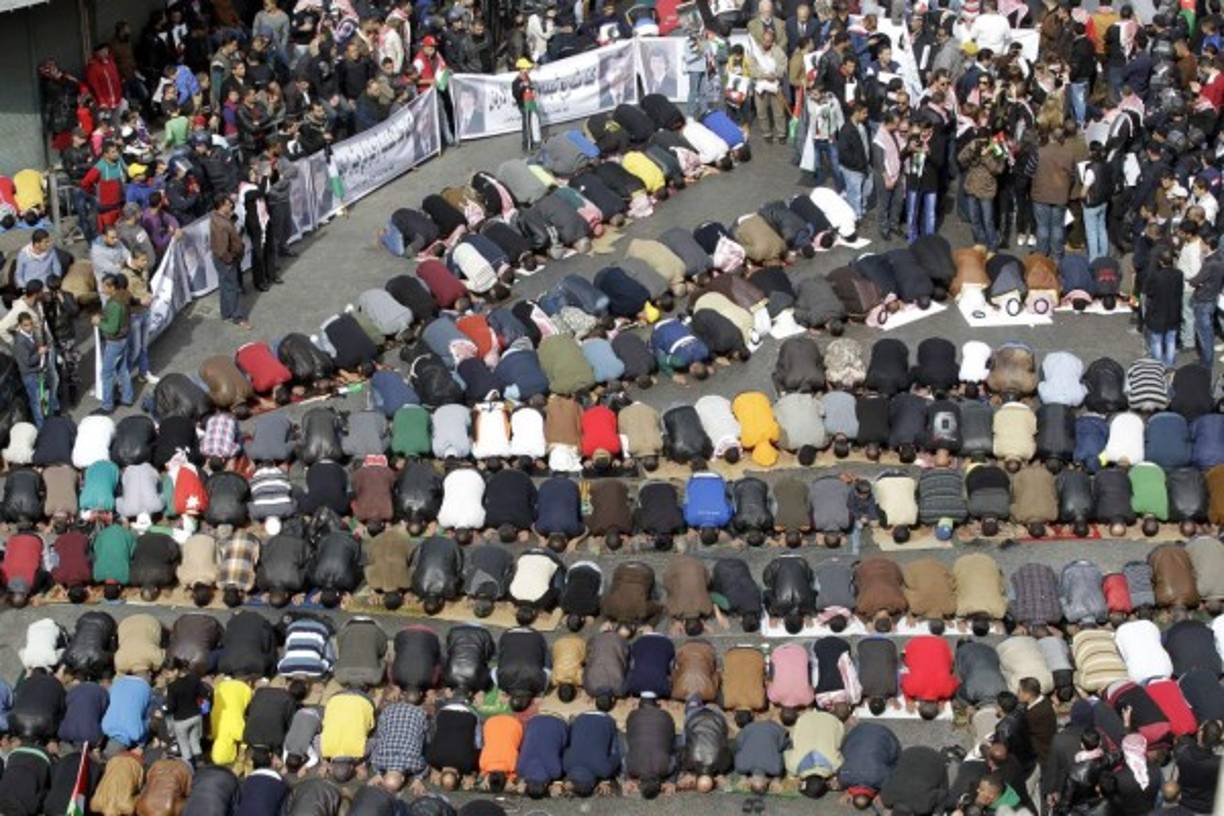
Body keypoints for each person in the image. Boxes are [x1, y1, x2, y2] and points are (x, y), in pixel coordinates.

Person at [91, 274, 132, 414]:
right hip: (124, 338)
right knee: (122, 369)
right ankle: (127, 398)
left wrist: (99, 322)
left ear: (112, 287)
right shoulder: (124, 296)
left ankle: (107, 406)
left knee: (107, 373)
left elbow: (112, 328)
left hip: (115, 342)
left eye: (104, 285)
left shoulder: (114, 304)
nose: (101, 288)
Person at [209, 193, 250, 328]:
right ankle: (238, 317)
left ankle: (226, 312)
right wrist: (230, 259)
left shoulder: (218, 218)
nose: (231, 205)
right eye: (228, 204)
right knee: (233, 288)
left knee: (225, 285)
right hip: (226, 260)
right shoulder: (221, 224)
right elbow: (222, 249)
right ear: (221, 205)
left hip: (222, 259)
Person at [511, 58, 542, 152]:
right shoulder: (516, 82)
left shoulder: (527, 77)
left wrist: (532, 88)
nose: (529, 70)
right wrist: (522, 87)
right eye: (527, 68)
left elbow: (530, 85)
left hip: (530, 103)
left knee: (530, 124)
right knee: (527, 126)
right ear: (522, 69)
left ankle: (532, 142)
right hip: (524, 105)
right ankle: (528, 146)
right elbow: (516, 95)